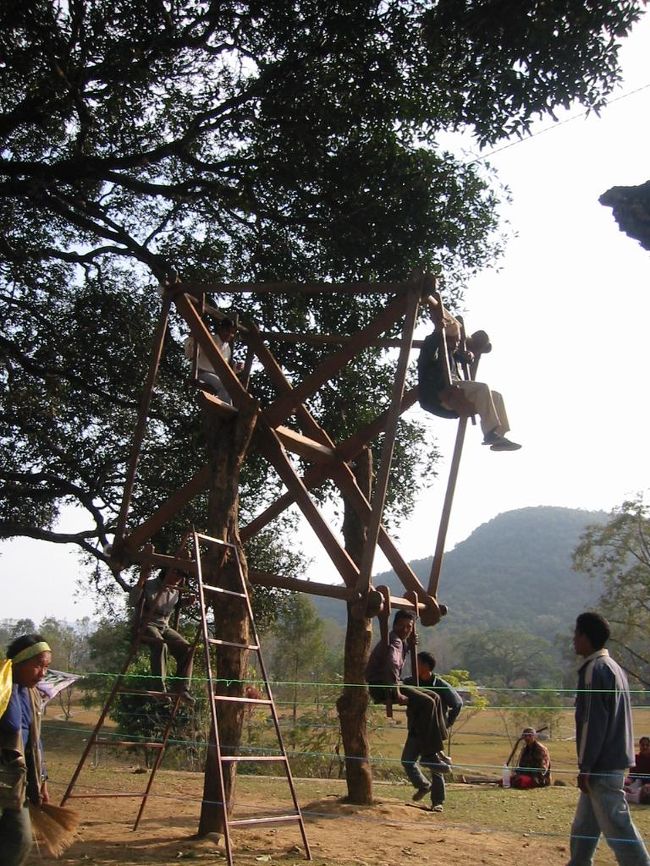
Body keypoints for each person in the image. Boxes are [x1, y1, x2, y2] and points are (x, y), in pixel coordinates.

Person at [567, 611, 650, 866]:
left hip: (601, 765)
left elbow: (592, 723)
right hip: (610, 760)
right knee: (584, 826)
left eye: (576, 634)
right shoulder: (613, 667)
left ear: (585, 637)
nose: (573, 640)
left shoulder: (594, 670)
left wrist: (587, 766)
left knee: (618, 825)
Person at [417, 316, 521, 451]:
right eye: (455, 340)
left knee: (496, 396)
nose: (457, 343)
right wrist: (438, 332)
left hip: (455, 392)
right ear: (446, 338)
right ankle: (489, 434)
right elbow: (429, 351)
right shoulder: (435, 348)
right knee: (482, 388)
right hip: (440, 394)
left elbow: (464, 356)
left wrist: (469, 356)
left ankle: (498, 437)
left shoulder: (451, 354)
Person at [366, 611, 451, 767]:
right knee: (427, 702)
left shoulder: (401, 641)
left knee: (435, 697)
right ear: (394, 625)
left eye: (409, 627)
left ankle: (437, 748)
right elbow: (392, 665)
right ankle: (429, 754)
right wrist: (396, 692)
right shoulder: (395, 641)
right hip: (383, 685)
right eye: (402, 625)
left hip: (392, 683)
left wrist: (411, 645)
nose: (405, 629)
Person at [0, 633, 52, 866]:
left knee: (19, 840)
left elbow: (35, 741)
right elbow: (11, 724)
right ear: (18, 662)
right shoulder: (3, 690)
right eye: (37, 666)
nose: (42, 673)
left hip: (15, 783)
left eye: (46, 667)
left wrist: (42, 779)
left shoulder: (32, 694)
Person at [401, 651, 463, 812]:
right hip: (415, 729)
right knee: (408, 761)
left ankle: (438, 802)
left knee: (435, 768)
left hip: (432, 732)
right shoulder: (410, 682)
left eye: (417, 663)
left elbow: (457, 704)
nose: (414, 666)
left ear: (426, 666)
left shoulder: (440, 685)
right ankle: (423, 785)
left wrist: (445, 724)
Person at [129, 568, 195, 705]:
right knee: (160, 644)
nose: (179, 578)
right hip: (146, 623)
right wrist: (140, 581)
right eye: (177, 573)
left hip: (164, 626)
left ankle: (182, 688)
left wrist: (186, 602)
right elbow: (133, 601)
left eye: (182, 576)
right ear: (167, 572)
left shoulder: (175, 591)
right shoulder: (149, 585)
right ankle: (159, 689)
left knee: (187, 648)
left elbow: (173, 606)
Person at [184, 316, 242, 404]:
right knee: (225, 386)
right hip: (201, 372)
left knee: (236, 388)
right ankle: (226, 411)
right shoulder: (208, 339)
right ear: (221, 329)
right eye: (227, 331)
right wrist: (192, 339)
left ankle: (232, 409)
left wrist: (237, 367)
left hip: (217, 376)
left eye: (232, 333)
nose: (229, 335)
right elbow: (189, 355)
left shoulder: (228, 349)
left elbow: (226, 368)